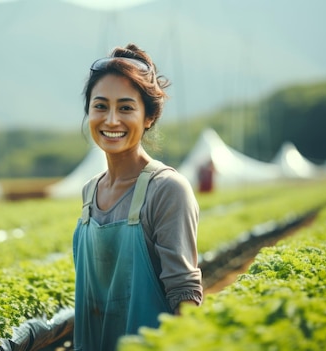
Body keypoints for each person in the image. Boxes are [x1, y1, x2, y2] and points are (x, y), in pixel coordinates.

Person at [72, 44, 202, 351]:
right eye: (100, 106)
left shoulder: (167, 190)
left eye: (126, 108)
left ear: (149, 117)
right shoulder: (90, 192)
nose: (112, 120)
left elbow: (185, 298)